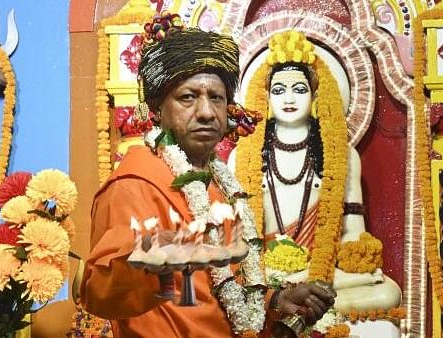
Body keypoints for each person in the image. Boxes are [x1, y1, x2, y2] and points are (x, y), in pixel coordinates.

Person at [81, 18, 335, 338]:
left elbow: (224, 292)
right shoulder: (135, 184)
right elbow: (100, 293)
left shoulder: (219, 184)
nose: (206, 112)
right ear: (157, 110)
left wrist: (275, 301)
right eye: (188, 97)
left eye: (216, 97)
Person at [232, 31, 401, 313]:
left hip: (321, 270)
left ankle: (305, 298)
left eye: (299, 89)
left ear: (315, 96)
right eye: (278, 90)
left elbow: (352, 232)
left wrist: (315, 272)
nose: (288, 98)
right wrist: (269, 273)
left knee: (387, 293)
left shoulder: (344, 155)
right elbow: (235, 235)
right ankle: (293, 300)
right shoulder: (242, 155)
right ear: (266, 98)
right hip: (264, 274)